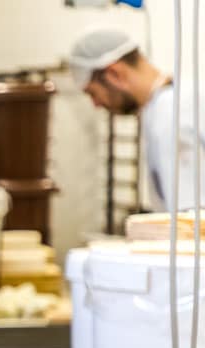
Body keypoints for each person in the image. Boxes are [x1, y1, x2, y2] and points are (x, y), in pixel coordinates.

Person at [70, 26, 205, 211]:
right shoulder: (175, 102)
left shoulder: (171, 115)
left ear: (114, 74)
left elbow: (192, 218)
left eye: (93, 93)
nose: (96, 104)